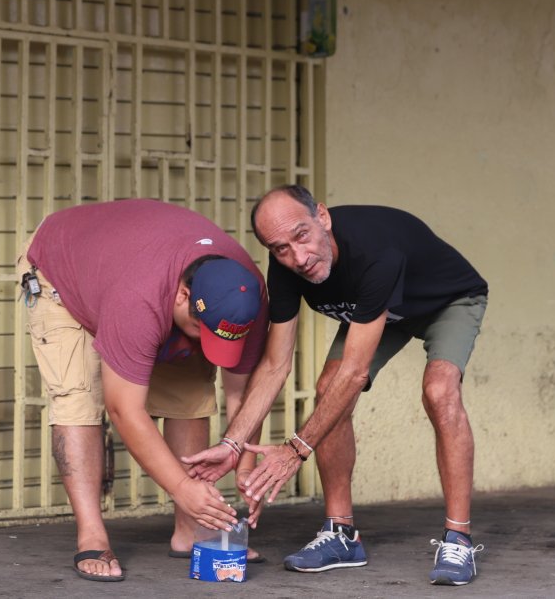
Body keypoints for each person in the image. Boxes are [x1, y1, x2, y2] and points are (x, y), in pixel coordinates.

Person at [183, 184, 489, 586]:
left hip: (447, 300)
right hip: (382, 310)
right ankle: (342, 535)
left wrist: (295, 450)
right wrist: (233, 444)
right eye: (280, 249)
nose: (299, 257)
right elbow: (275, 365)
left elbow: (356, 373)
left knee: (439, 389)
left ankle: (458, 539)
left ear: (322, 218)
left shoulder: (375, 250)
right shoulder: (288, 267)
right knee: (329, 389)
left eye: (302, 236)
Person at [17, 199, 269, 582]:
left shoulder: (244, 296)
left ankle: (193, 530)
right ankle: (92, 534)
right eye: (199, 329)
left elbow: (243, 396)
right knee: (79, 399)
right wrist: (182, 487)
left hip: (135, 267)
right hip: (61, 274)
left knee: (190, 393)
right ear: (183, 296)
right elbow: (125, 410)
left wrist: (246, 471)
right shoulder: (139, 300)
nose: (206, 342)